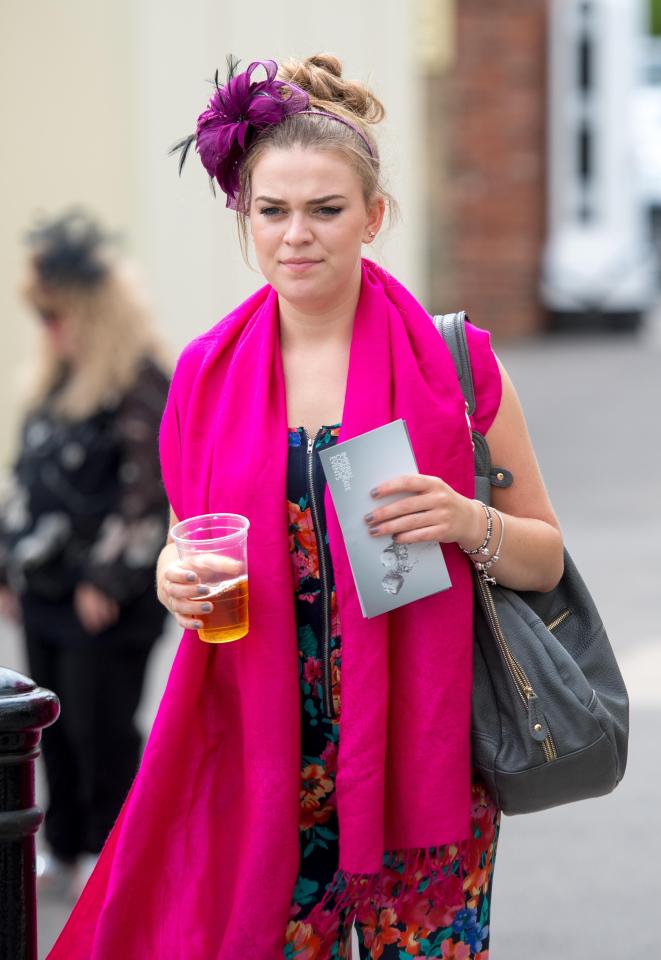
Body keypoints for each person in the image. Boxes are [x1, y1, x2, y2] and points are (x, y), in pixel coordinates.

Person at [47, 57, 564, 959]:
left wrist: (459, 519)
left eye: (325, 210)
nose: (296, 236)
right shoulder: (203, 379)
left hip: (423, 750)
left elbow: (544, 560)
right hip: (262, 760)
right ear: (243, 216)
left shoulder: (458, 364)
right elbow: (188, 549)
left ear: (373, 216)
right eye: (271, 211)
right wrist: (173, 575)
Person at [0, 210, 171, 900]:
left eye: (55, 313)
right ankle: (65, 845)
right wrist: (7, 565)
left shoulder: (137, 381)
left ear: (90, 312)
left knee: (102, 730)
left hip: (104, 599)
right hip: (46, 592)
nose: (47, 328)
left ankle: (111, 850)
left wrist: (110, 575)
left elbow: (150, 489)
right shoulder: (52, 384)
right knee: (51, 730)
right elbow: (25, 482)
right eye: (38, 314)